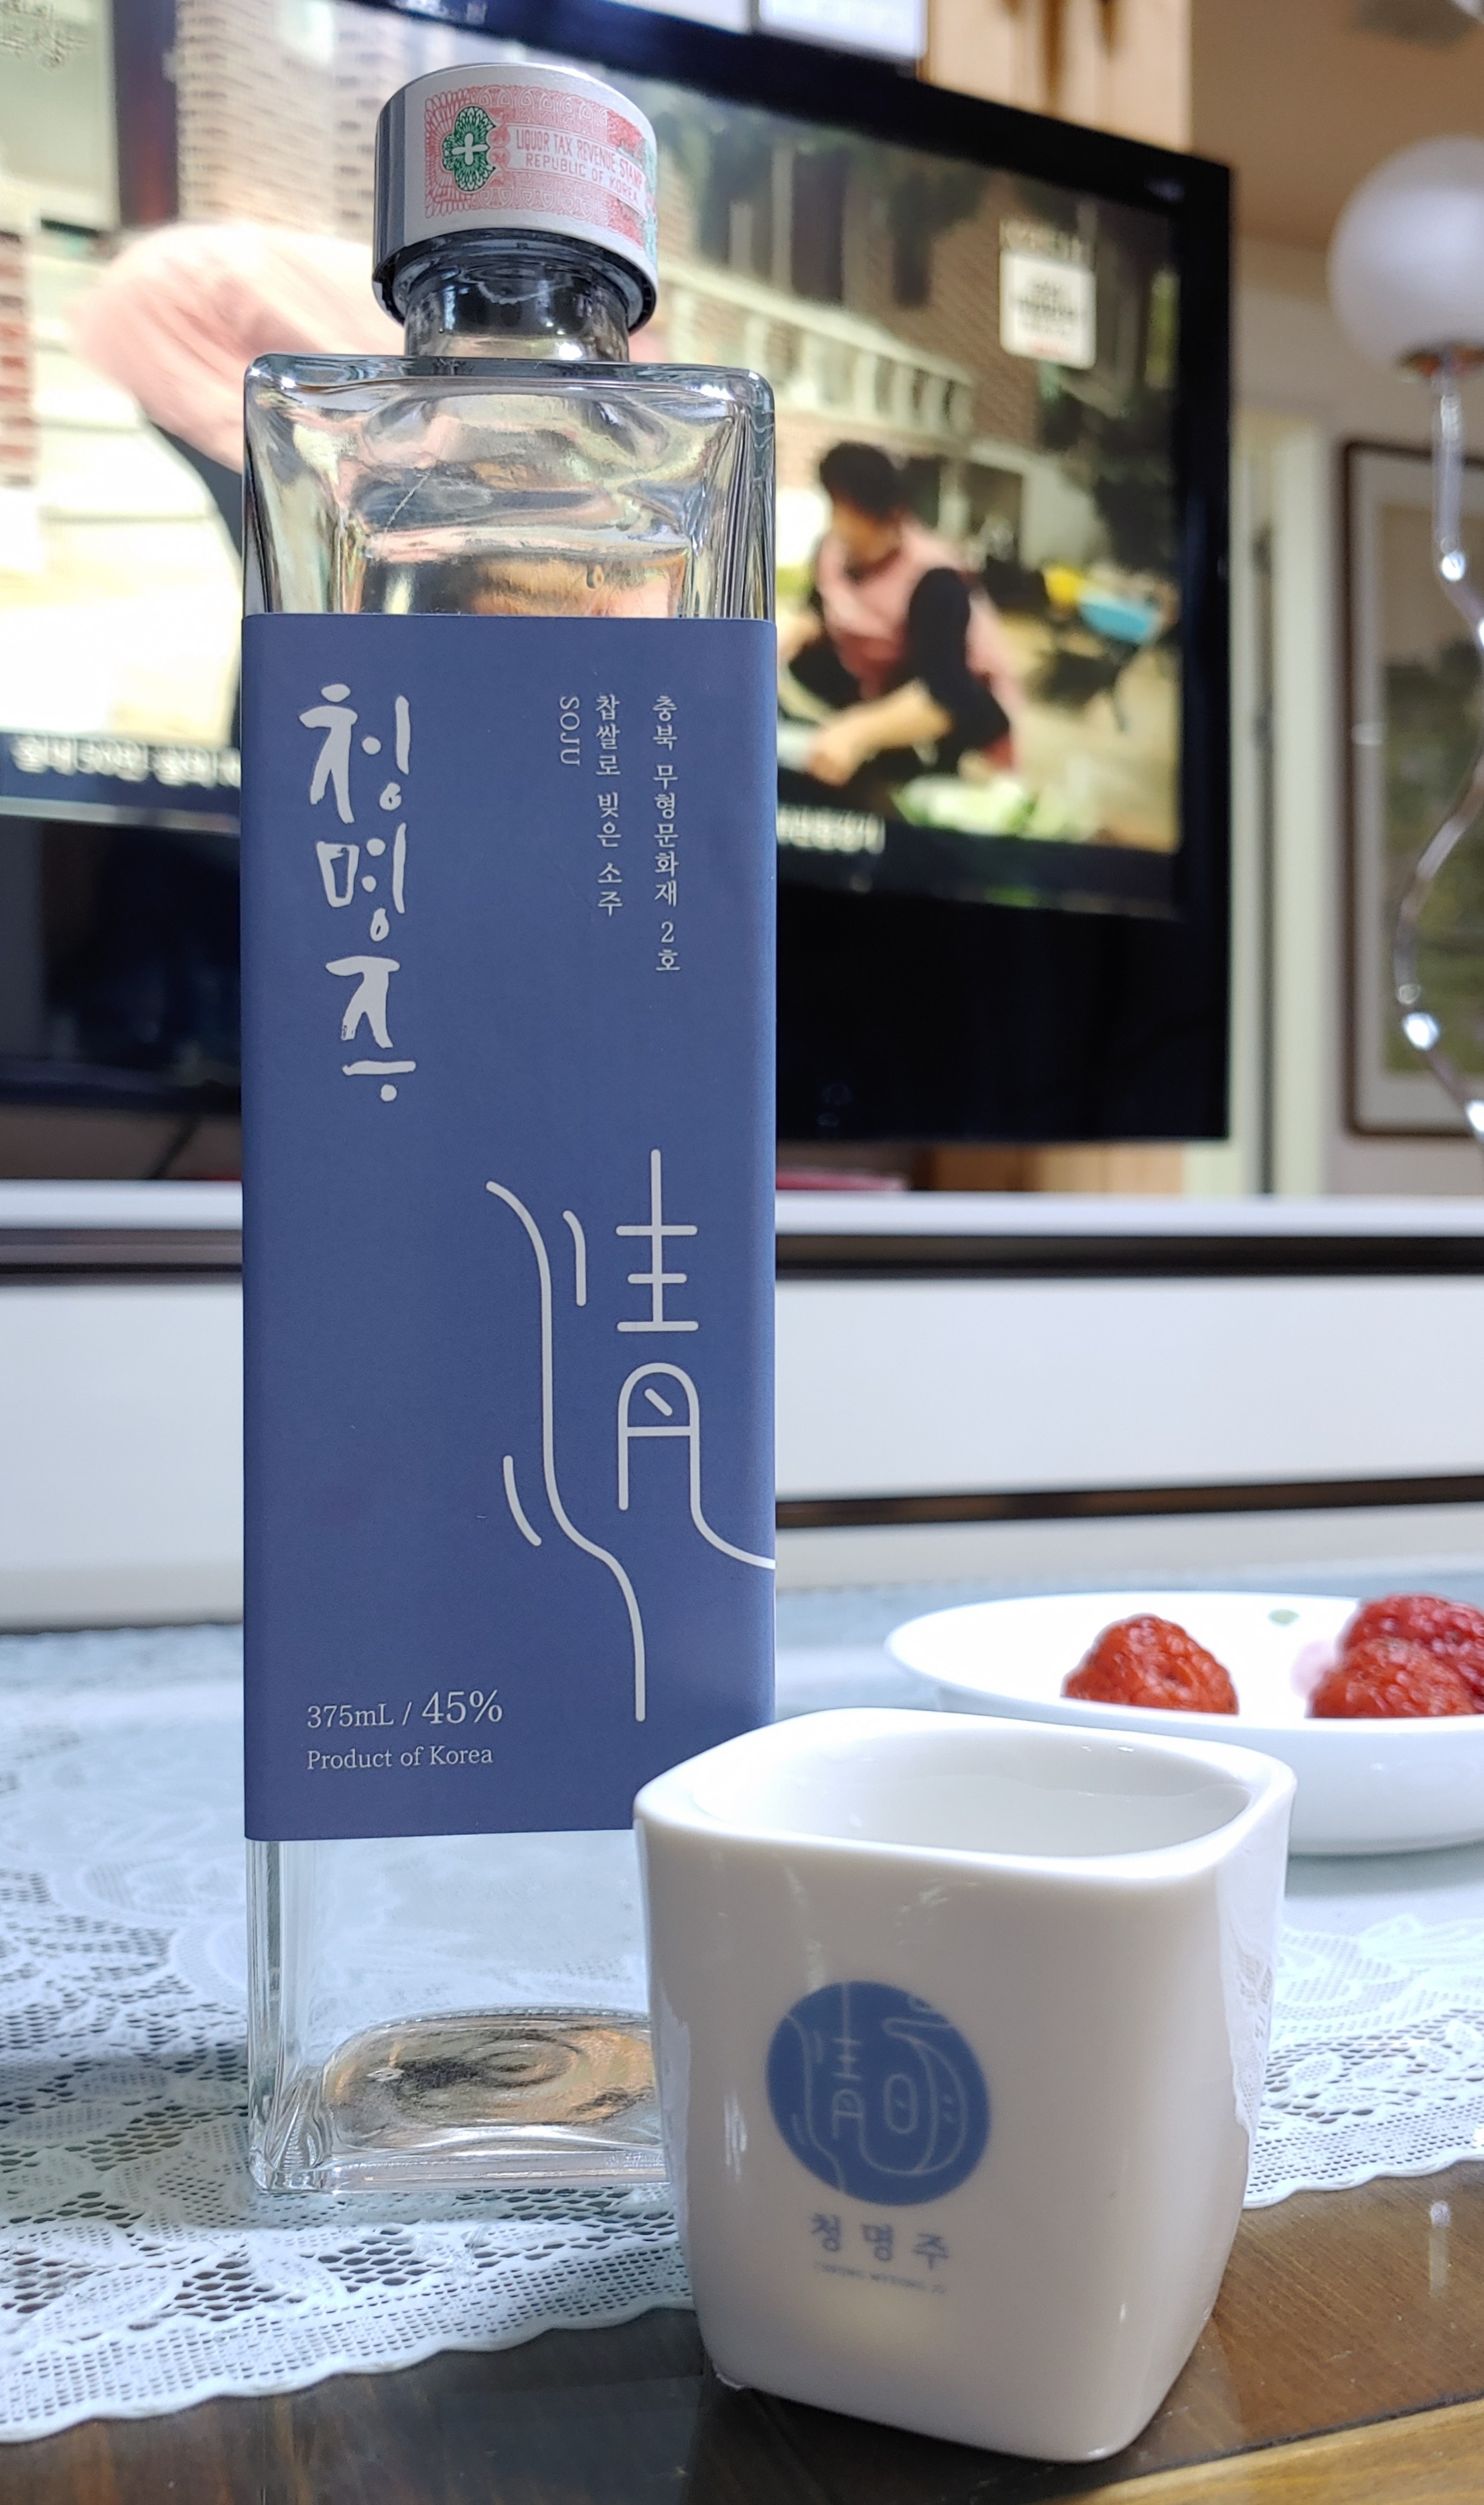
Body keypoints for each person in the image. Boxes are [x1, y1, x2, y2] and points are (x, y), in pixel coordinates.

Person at [781, 442, 1022, 792]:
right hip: (887, 695)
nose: (839, 523)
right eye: (835, 505)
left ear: (890, 515)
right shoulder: (832, 550)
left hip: (967, 720)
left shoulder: (934, 579)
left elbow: (947, 692)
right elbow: (823, 605)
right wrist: (791, 631)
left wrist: (856, 731)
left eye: (852, 511)